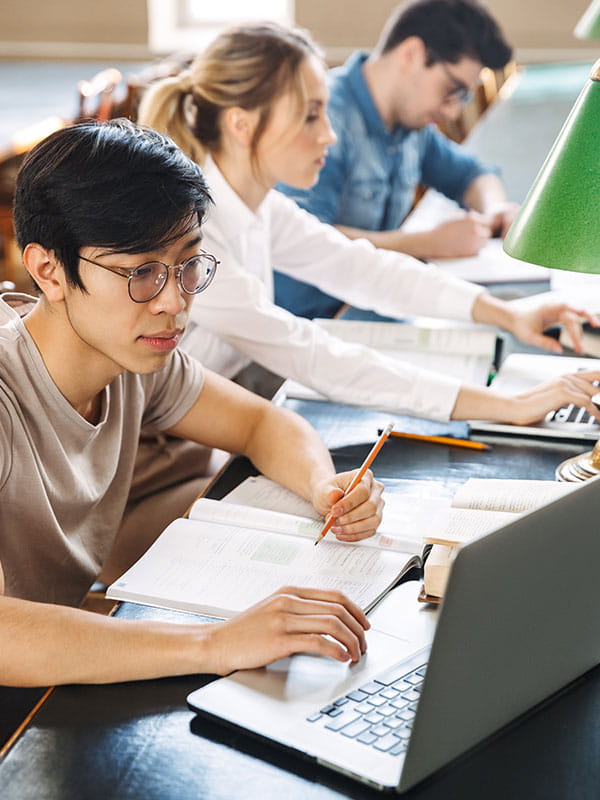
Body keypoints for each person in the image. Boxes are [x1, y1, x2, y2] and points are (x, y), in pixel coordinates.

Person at [0, 119, 385, 687]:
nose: (174, 302)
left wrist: (324, 488)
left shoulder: (129, 353)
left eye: (187, 266)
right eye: (141, 273)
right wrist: (217, 642)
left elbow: (262, 423)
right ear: (48, 270)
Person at [138, 22, 600, 427]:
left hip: (219, 413)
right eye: (311, 115)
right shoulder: (197, 237)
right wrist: (506, 404)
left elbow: (362, 269)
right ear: (241, 124)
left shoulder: (259, 206)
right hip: (162, 443)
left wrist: (506, 313)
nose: (330, 135)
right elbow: (311, 354)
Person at [276, 0, 519, 319]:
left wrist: (494, 209)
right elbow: (303, 241)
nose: (453, 111)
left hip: (372, 303)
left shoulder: (411, 123)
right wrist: (429, 242)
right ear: (412, 55)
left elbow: (471, 174)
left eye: (464, 96)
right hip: (314, 320)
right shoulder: (323, 121)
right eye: (452, 89)